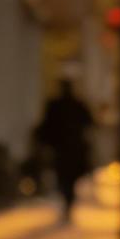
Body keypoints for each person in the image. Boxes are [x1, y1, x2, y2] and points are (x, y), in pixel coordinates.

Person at [35, 79, 94, 219]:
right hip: (69, 149)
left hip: (63, 149)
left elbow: (45, 126)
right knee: (67, 178)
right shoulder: (75, 105)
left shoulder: (57, 105)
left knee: (64, 178)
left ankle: (68, 201)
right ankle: (68, 201)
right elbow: (89, 123)